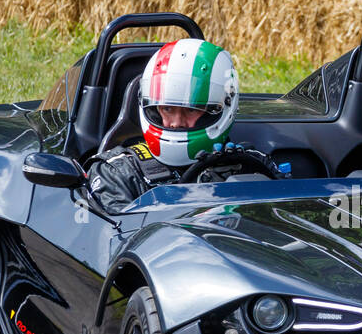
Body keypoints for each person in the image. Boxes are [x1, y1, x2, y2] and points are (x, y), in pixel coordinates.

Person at [88, 38, 248, 211]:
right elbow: (119, 236)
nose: (176, 123)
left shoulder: (249, 165)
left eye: (191, 110)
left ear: (224, 107)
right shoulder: (116, 173)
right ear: (153, 108)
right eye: (167, 109)